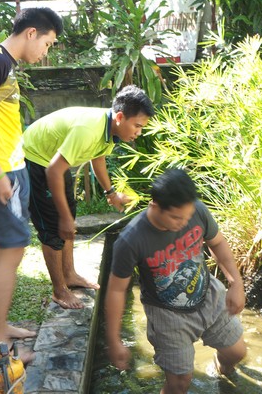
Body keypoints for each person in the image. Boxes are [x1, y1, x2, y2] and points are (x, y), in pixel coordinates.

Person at [0, 7, 63, 354]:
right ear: (32, 33)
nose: (45, 53)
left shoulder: (4, 64)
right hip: (2, 171)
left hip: (11, 167)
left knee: (1, 245)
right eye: (47, 44)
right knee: (13, 247)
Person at [105, 169, 247, 394]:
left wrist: (235, 283)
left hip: (208, 294)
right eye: (176, 218)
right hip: (167, 314)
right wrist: (114, 340)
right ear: (154, 206)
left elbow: (217, 243)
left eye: (187, 217)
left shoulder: (197, 210)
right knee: (180, 382)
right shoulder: (131, 240)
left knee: (236, 353)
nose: (183, 223)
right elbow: (116, 291)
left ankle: (221, 370)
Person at [23, 85, 154, 309]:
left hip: (52, 161)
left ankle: (69, 274)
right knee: (53, 227)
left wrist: (111, 193)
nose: (138, 133)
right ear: (120, 117)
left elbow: (98, 158)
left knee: (69, 217)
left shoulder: (109, 130)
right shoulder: (89, 129)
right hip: (34, 158)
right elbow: (53, 171)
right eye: (137, 126)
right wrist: (64, 217)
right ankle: (59, 291)